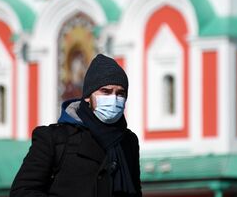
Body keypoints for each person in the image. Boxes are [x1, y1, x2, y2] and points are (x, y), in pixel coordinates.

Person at [10, 54, 142, 197]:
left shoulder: (128, 141)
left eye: (120, 93)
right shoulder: (53, 138)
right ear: (87, 96)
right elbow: (22, 192)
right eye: (106, 91)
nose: (114, 98)